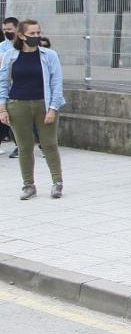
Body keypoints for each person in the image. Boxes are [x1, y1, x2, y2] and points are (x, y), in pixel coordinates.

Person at [0, 19, 65, 200]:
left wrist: (53, 108)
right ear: (21, 35)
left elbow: (56, 82)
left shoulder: (49, 55)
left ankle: (57, 183)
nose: (36, 37)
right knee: (24, 147)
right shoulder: (10, 56)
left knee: (49, 144)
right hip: (18, 105)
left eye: (38, 33)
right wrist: (2, 108)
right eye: (32, 34)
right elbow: (3, 83)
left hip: (43, 104)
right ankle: (28, 185)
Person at [0, 16, 15, 156]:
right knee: (4, 116)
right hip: (4, 85)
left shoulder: (23, 45)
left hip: (18, 88)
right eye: (4, 30)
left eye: (9, 29)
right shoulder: (2, 46)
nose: (6, 32)